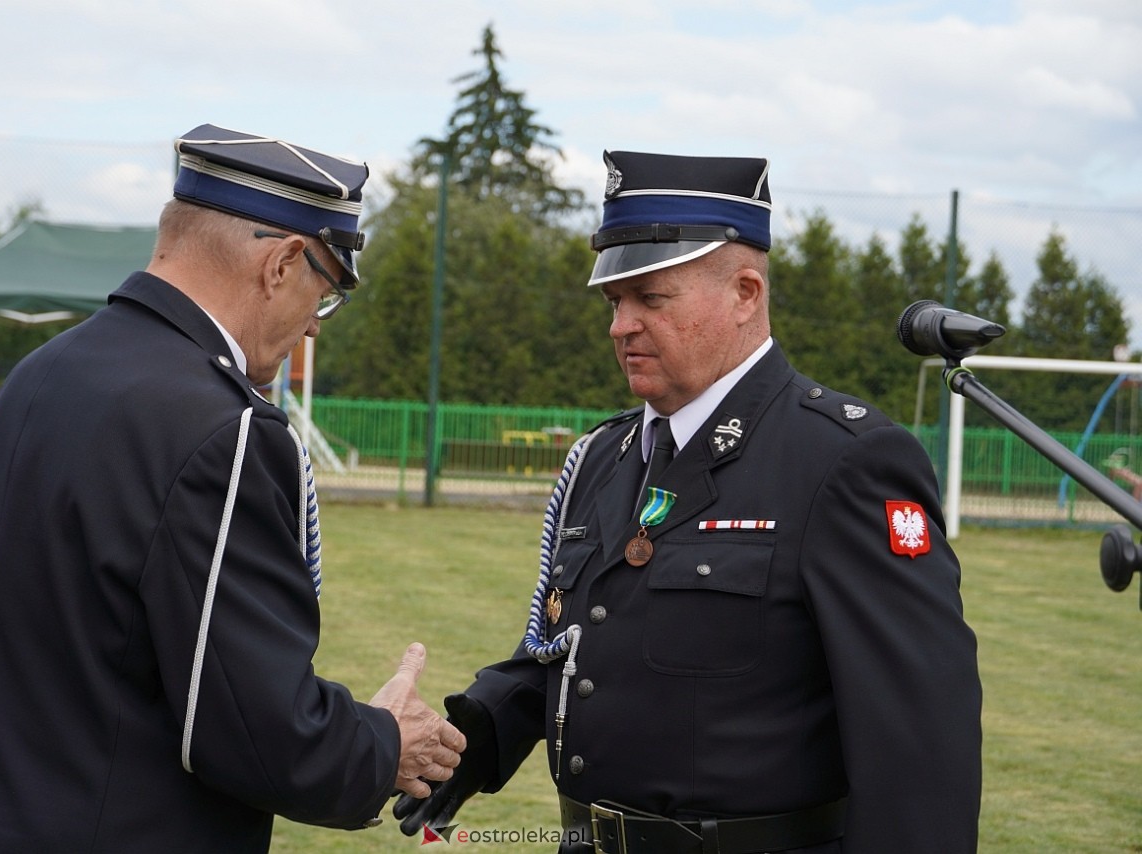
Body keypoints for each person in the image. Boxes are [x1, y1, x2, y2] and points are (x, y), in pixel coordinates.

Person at [395, 151, 983, 853]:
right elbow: (575, 643)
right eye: (615, 302)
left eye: (651, 299)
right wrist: (477, 735)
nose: (621, 326)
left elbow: (919, 740)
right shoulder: (605, 456)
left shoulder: (842, 461)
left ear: (744, 293)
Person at [0, 124, 465, 853]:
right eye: (324, 292)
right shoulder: (225, 426)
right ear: (282, 263)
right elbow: (252, 725)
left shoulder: (38, 374)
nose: (313, 327)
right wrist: (383, 741)